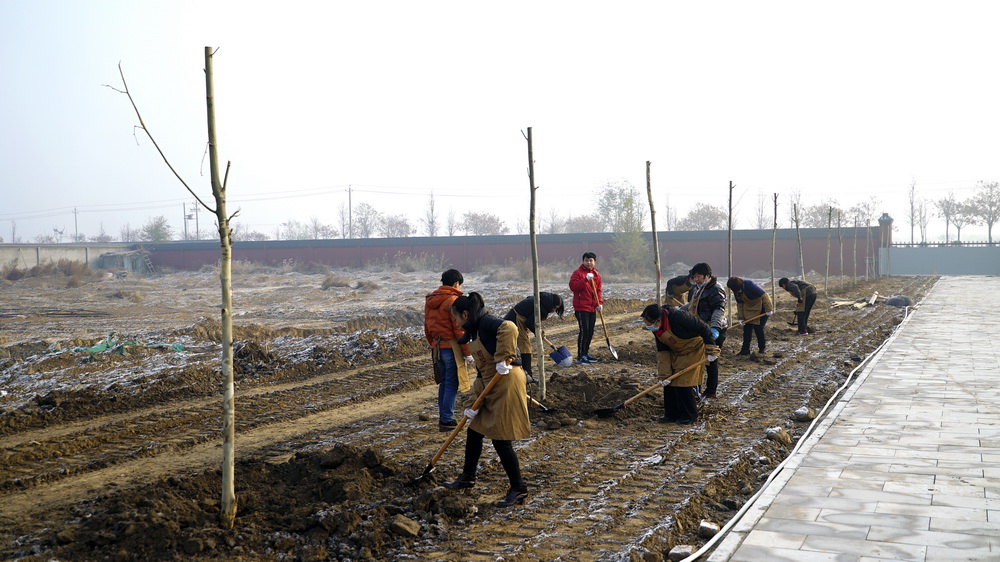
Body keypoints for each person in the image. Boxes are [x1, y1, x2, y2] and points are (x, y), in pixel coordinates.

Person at [444, 292, 531, 508]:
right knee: (475, 430)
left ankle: (518, 488)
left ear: (465, 314)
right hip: (491, 382)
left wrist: (503, 358)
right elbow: (482, 374)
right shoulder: (475, 331)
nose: (455, 323)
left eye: (456, 318)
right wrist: (472, 404)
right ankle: (468, 476)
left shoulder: (487, 322)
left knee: (500, 438)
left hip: (507, 381)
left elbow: (510, 327)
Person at [640, 304, 720, 424]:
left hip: (693, 348)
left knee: (684, 382)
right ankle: (671, 414)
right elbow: (663, 351)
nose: (648, 327)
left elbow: (704, 329)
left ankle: (689, 415)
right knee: (669, 382)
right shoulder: (657, 329)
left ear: (658, 320)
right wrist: (663, 375)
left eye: (649, 324)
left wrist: (712, 350)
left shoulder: (679, 317)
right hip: (676, 351)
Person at [424, 269, 471, 432]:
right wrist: (467, 351)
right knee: (452, 384)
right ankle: (447, 420)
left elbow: (427, 327)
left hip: (437, 347)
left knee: (444, 383)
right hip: (451, 347)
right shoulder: (453, 300)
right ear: (456, 283)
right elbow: (458, 329)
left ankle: (444, 416)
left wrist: (433, 343)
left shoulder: (431, 300)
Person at [682, 262, 726, 401]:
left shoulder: (715, 289)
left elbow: (718, 310)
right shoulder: (699, 288)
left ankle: (711, 391)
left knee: (711, 360)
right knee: (697, 360)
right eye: (694, 276)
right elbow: (693, 304)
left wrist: (714, 328)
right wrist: (680, 310)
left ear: (708, 276)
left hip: (713, 329)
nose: (696, 279)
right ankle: (696, 388)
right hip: (700, 328)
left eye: (699, 276)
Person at [502, 292, 566, 383]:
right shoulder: (539, 307)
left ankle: (523, 375)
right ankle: (527, 377)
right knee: (525, 347)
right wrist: (539, 333)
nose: (554, 310)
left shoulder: (541, 300)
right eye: (555, 308)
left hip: (517, 319)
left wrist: (539, 332)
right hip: (515, 320)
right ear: (551, 304)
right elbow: (530, 323)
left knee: (519, 347)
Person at [568, 252, 603, 364]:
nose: (589, 262)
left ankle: (586, 353)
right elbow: (573, 287)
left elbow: (598, 291)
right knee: (584, 331)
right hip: (581, 307)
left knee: (590, 332)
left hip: (592, 307)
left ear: (594, 262)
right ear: (583, 261)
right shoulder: (577, 273)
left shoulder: (596, 274)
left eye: (591, 260)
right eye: (587, 260)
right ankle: (580, 356)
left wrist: (600, 303)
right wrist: (585, 280)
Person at [726, 276, 774, 356]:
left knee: (758, 328)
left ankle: (762, 348)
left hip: (761, 308)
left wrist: (768, 309)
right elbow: (740, 304)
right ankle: (745, 350)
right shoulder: (736, 290)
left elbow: (764, 295)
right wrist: (741, 318)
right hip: (748, 309)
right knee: (747, 329)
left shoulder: (749, 285)